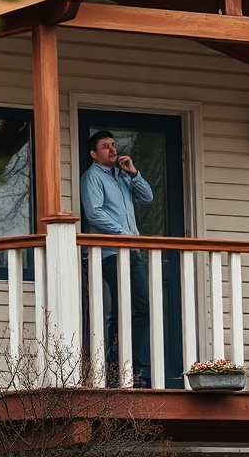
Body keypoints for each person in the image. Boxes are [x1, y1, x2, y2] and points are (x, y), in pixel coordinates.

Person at [80, 130, 154, 388]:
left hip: (131, 252)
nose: (112, 149)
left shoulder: (123, 176)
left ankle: (135, 369)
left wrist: (133, 173)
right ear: (94, 153)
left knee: (142, 308)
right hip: (111, 253)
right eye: (105, 146)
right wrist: (123, 233)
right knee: (120, 310)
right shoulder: (92, 177)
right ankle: (114, 370)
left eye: (113, 145)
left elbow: (147, 198)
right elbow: (94, 213)